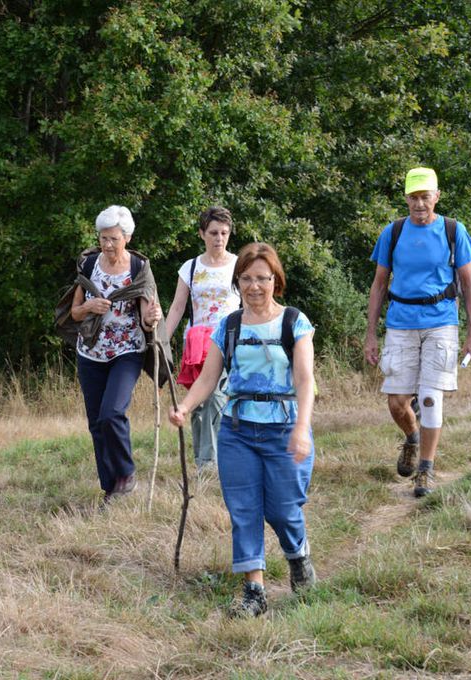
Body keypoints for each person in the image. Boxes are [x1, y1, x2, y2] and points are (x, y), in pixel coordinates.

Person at [170, 242, 316, 619]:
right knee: (244, 510)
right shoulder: (229, 326)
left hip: (284, 428)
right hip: (236, 431)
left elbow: (304, 380)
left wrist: (301, 428)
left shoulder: (294, 322)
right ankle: (255, 591)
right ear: (238, 282)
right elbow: (208, 378)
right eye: (247, 279)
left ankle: (297, 555)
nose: (254, 286)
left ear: (275, 281)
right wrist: (185, 407)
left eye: (262, 279)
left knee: (284, 510)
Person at [364, 167, 471, 498]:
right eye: (413, 197)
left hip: (441, 321)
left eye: (425, 197)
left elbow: (470, 285)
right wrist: (371, 334)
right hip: (401, 321)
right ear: (406, 198)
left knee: (430, 397)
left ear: (437, 196)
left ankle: (426, 470)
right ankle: (412, 436)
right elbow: (378, 284)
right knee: (397, 401)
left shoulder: (453, 230)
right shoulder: (393, 232)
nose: (419, 204)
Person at [70, 205, 163, 502]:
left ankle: (126, 474)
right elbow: (74, 312)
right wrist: (88, 307)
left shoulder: (137, 269)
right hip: (90, 352)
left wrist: (153, 318)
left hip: (127, 350)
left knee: (112, 413)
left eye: (113, 238)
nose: (107, 245)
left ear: (128, 237)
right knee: (96, 421)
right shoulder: (89, 265)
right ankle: (111, 488)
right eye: (103, 238)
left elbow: (147, 316)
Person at [164, 206, 241, 471]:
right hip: (197, 345)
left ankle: (212, 465)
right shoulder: (191, 267)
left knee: (217, 399)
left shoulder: (238, 264)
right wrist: (161, 341)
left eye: (224, 233)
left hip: (231, 342)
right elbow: (177, 307)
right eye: (213, 233)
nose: (219, 238)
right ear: (201, 234)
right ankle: (203, 463)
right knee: (198, 403)